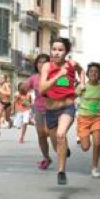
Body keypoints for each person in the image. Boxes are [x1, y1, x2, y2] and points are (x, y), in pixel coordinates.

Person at [39, 38, 83, 185]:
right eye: (54, 49)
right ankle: (64, 149)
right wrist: (58, 75)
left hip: (67, 107)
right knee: (56, 145)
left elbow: (81, 71)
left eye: (60, 50)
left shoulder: (72, 64)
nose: (56, 53)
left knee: (60, 134)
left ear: (66, 52)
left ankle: (61, 172)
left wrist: (81, 84)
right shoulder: (47, 66)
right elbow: (42, 88)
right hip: (51, 110)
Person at [24, 53, 52, 170]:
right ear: (36, 64)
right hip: (38, 110)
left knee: (49, 132)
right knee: (41, 135)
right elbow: (24, 88)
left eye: (45, 62)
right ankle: (46, 158)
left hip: (52, 109)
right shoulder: (33, 78)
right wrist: (22, 90)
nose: (42, 64)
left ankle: (61, 145)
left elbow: (64, 85)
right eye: (40, 62)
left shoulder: (53, 77)